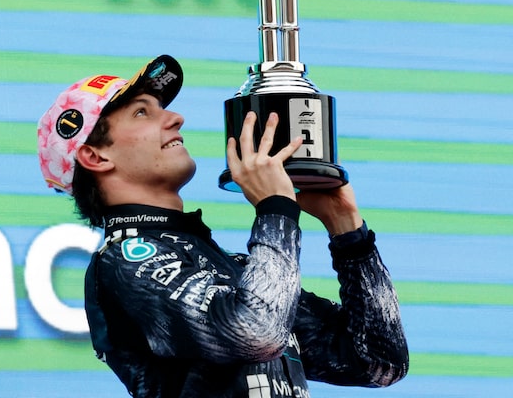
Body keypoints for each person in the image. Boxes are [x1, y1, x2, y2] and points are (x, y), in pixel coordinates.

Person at [38, 54, 409, 397]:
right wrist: (276, 208)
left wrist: (347, 231)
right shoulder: (125, 262)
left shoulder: (230, 267)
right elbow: (256, 331)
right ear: (95, 156)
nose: (175, 118)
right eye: (141, 113)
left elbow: (380, 362)